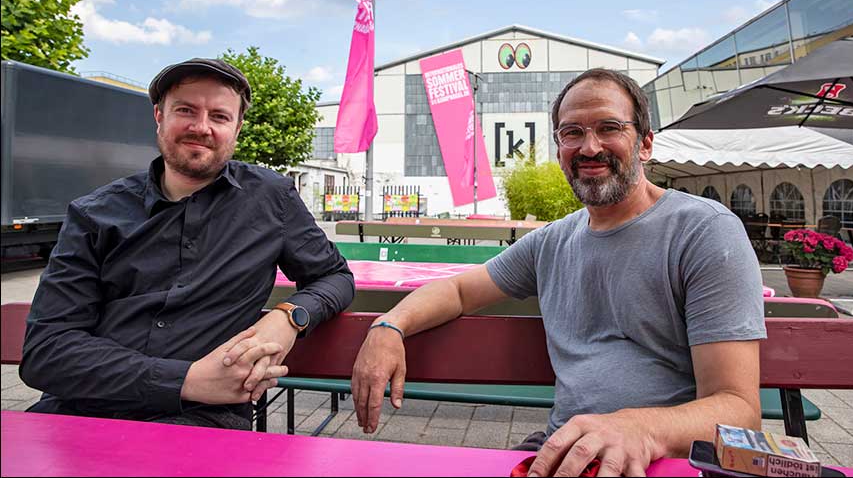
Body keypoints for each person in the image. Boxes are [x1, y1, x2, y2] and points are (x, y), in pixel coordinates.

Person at [351, 68, 765, 476]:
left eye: (609, 128)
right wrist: (389, 326)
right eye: (572, 133)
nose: (589, 148)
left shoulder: (703, 231)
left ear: (645, 144)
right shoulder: (552, 242)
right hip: (567, 449)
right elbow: (459, 290)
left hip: (666, 458)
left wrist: (639, 427)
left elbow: (738, 409)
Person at [20, 58, 355, 430]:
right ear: (158, 116)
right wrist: (190, 380)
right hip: (81, 413)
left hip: (200, 422)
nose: (202, 127)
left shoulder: (272, 199)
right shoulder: (93, 214)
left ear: (237, 128)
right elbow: (45, 352)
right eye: (186, 110)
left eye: (219, 116)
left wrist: (289, 316)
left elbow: (334, 277)